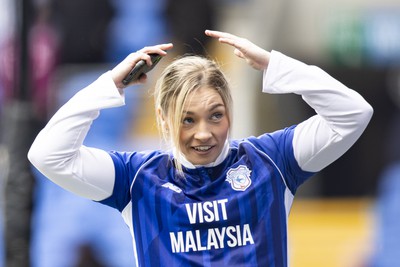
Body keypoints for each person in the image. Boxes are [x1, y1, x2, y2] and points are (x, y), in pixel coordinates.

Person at [27, 30, 373, 266]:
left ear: (230, 112)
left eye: (216, 115)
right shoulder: (137, 178)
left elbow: (353, 114)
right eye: (187, 120)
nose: (204, 134)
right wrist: (111, 84)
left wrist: (275, 66)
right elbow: (47, 154)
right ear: (163, 119)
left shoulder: (272, 161)